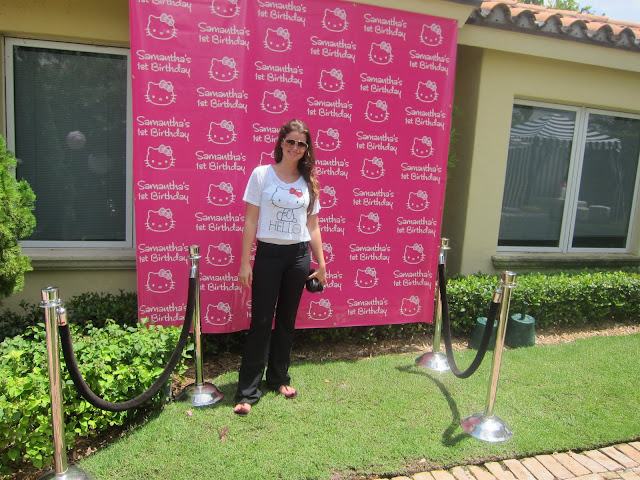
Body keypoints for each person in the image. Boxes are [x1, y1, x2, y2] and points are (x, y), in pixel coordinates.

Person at [234, 119, 327, 416]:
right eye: (290, 141)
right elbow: (250, 220)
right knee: (261, 322)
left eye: (301, 143)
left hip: (298, 257)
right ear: (281, 142)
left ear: (306, 148)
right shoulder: (262, 174)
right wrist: (245, 262)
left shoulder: (309, 181)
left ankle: (278, 378)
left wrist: (322, 264)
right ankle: (247, 391)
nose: (295, 148)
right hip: (269, 255)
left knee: (286, 321)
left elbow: (313, 226)